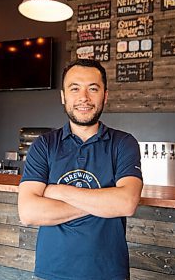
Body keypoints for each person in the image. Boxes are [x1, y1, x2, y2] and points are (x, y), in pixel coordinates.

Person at [18, 59, 143, 280]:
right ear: (63, 96)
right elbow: (28, 212)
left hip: (108, 273)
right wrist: (103, 202)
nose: (83, 97)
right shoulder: (45, 145)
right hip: (51, 273)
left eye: (93, 89)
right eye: (75, 88)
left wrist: (58, 191)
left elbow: (126, 203)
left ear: (105, 95)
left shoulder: (123, 143)